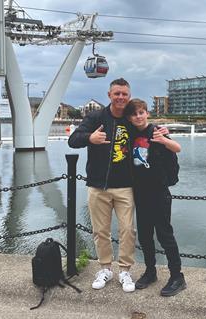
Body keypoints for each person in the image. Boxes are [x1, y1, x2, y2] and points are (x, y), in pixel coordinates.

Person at [68, 78, 167, 293]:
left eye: (124, 94)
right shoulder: (96, 117)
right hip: (98, 186)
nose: (121, 97)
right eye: (117, 93)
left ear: (128, 96)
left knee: (128, 230)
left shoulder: (131, 118)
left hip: (125, 186)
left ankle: (124, 270)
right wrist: (90, 137)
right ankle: (105, 268)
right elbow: (73, 140)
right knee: (100, 231)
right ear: (109, 95)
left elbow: (146, 128)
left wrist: (162, 131)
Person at [124, 98, 186, 297]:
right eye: (134, 114)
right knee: (144, 235)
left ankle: (177, 276)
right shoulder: (131, 133)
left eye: (141, 112)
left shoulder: (156, 131)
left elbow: (177, 148)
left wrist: (164, 140)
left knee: (165, 235)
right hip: (140, 193)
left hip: (159, 192)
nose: (138, 116)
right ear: (130, 118)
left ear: (147, 113)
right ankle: (151, 272)